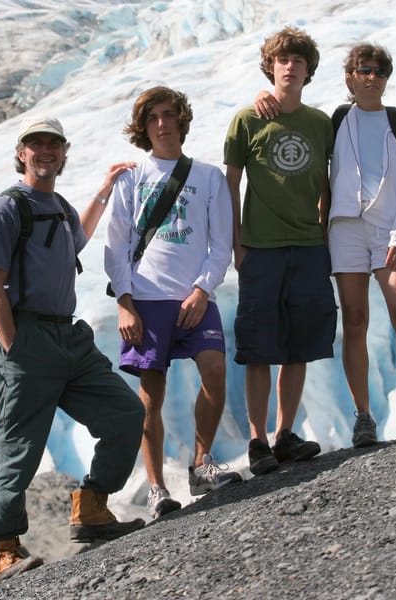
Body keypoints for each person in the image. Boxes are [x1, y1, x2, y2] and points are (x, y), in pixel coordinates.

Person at [0, 116, 146, 581]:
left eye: (53, 144)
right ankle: (2, 547)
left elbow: (78, 238)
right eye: (36, 145)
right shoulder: (7, 208)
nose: (45, 152)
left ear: (64, 152)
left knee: (126, 415)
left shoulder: (59, 205)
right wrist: (13, 349)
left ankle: (90, 507)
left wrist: (105, 190)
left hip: (69, 338)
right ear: (21, 153)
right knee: (20, 449)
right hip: (26, 337)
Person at [254, 43, 396, 446]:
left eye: (379, 71)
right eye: (363, 70)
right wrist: (263, 97)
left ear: (386, 78)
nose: (371, 77)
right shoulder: (335, 121)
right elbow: (293, 122)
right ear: (349, 78)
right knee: (354, 321)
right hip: (346, 231)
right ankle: (363, 416)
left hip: (390, 230)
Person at [105, 86, 241, 519]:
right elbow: (115, 246)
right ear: (144, 128)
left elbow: (222, 244)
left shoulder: (208, 178)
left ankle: (202, 463)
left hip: (193, 295)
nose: (162, 124)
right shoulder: (132, 178)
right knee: (150, 395)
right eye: (153, 118)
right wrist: (125, 302)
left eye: (169, 115)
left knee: (215, 370)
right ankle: (159, 489)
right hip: (146, 298)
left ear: (182, 119)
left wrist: (203, 289)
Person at [223, 27, 336, 477]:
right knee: (258, 348)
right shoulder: (247, 119)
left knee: (298, 345)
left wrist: (324, 235)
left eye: (298, 60)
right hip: (262, 249)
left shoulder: (320, 123)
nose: (290, 66)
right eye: (282, 59)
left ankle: (285, 435)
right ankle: (257, 440)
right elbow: (230, 185)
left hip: (308, 247)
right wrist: (237, 243)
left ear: (308, 70)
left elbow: (329, 185)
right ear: (270, 66)